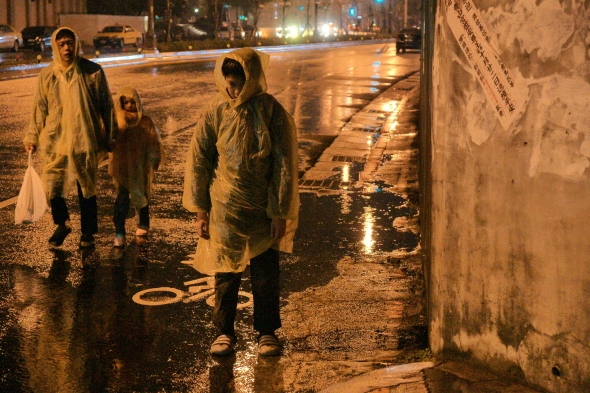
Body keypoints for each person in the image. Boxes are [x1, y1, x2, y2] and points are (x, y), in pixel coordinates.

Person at [183, 48, 299, 357]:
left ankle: (266, 332)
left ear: (252, 80)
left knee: (265, 273)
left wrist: (279, 211)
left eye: (239, 84)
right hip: (225, 208)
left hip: (262, 209)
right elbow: (200, 160)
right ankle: (223, 332)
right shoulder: (215, 111)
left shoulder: (270, 111)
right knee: (225, 273)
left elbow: (283, 164)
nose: (233, 91)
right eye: (229, 84)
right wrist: (201, 210)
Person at [23, 27, 115, 249]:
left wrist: (111, 137)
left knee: (86, 186)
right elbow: (39, 108)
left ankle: (88, 233)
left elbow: (107, 106)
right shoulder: (47, 76)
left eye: (70, 43)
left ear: (76, 44)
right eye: (62, 44)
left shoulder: (92, 72)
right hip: (56, 140)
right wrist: (32, 136)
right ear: (55, 46)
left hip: (84, 138)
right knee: (52, 184)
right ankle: (62, 223)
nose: (66, 48)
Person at [109, 86, 163, 248]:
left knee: (141, 195)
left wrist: (154, 159)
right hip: (122, 168)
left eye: (133, 102)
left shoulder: (144, 122)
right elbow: (108, 138)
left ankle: (143, 224)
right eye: (126, 102)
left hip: (139, 167)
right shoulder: (117, 122)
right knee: (122, 199)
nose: (130, 105)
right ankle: (119, 232)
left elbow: (153, 142)